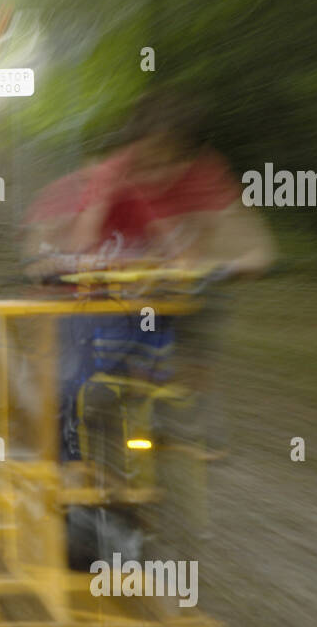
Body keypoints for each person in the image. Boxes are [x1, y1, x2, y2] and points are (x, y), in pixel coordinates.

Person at [22, 89, 276, 460]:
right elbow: (85, 233)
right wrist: (74, 263)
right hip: (117, 280)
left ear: (190, 158)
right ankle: (69, 423)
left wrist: (227, 266)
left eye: (164, 163)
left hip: (161, 283)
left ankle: (183, 408)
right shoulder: (115, 173)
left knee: (199, 308)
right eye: (145, 162)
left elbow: (247, 245)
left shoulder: (205, 175)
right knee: (79, 349)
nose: (152, 174)